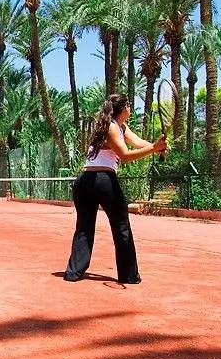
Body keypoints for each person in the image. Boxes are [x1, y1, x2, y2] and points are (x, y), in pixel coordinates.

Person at [64, 93, 168, 284]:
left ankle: (73, 272)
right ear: (124, 108)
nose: (131, 107)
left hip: (83, 182)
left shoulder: (118, 126)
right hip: (103, 180)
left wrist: (158, 147)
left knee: (84, 228)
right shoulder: (112, 127)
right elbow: (126, 155)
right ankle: (128, 275)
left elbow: (137, 142)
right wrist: (154, 148)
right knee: (121, 226)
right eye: (129, 104)